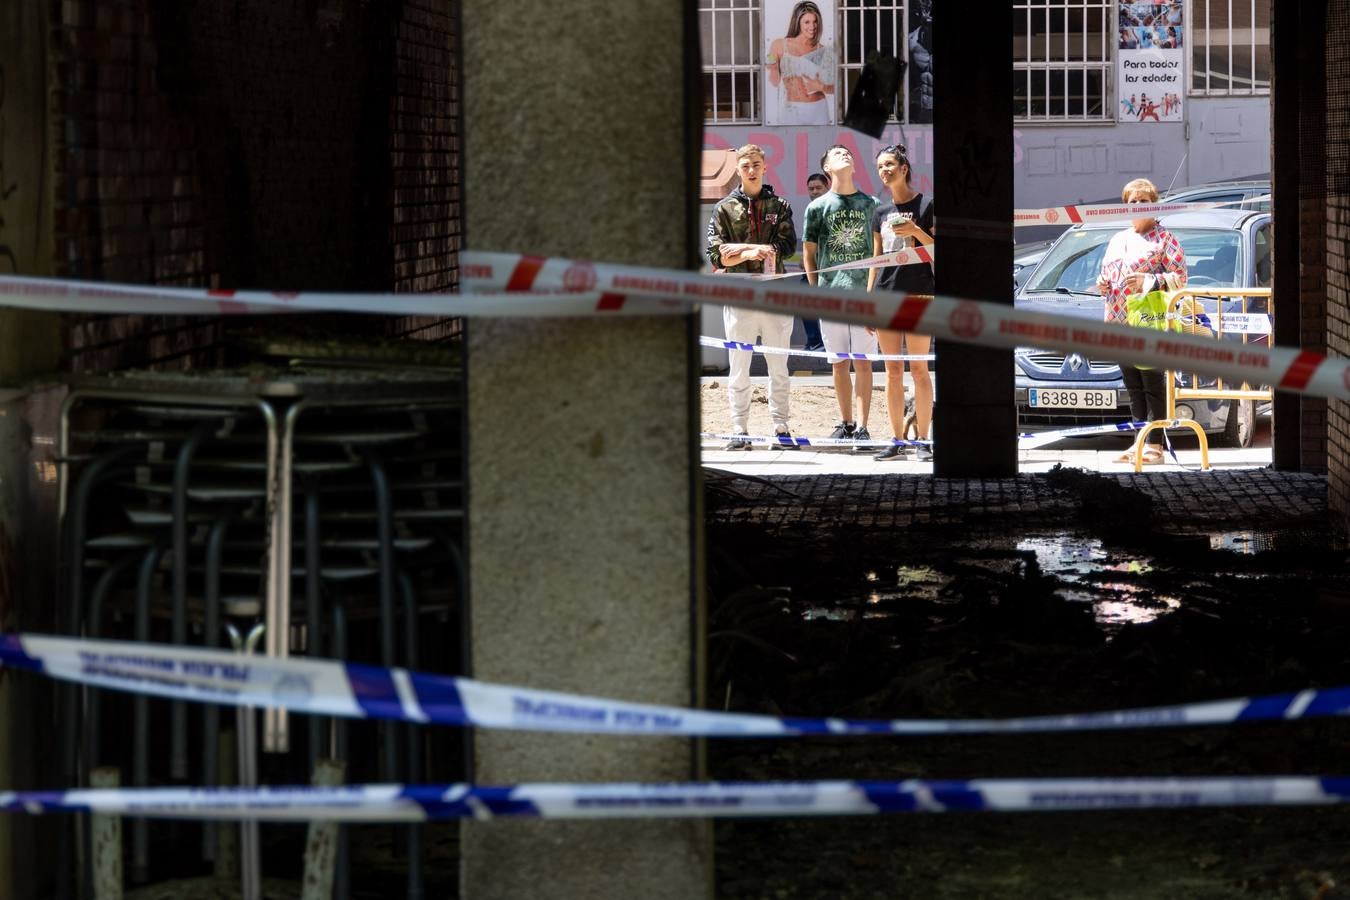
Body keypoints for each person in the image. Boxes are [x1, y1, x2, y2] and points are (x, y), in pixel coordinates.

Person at [706, 144, 799, 451]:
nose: (751, 170)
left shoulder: (780, 205)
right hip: (739, 298)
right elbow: (716, 256)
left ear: (764, 167)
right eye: (745, 165)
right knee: (739, 365)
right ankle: (739, 428)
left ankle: (781, 426)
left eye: (756, 164)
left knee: (778, 366)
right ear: (738, 169)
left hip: (775, 297)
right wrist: (750, 250)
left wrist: (739, 251)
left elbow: (786, 246)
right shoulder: (723, 209)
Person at [1095, 177, 1188, 465]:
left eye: (1143, 201)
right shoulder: (1118, 239)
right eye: (1132, 202)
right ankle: (1138, 441)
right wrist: (1102, 284)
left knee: (1152, 383)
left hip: (1150, 323)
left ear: (1154, 205)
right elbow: (1108, 276)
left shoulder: (1165, 239)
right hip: (1120, 323)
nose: (1137, 206)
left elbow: (1181, 279)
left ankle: (1155, 446)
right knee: (1132, 385)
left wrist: (1149, 280)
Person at [803, 144, 879, 444]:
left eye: (848, 153)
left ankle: (863, 425)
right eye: (837, 154)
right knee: (838, 362)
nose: (845, 155)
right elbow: (808, 253)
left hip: (863, 295)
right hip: (831, 294)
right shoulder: (818, 207)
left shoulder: (871, 204)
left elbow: (878, 252)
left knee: (863, 362)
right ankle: (845, 422)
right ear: (827, 168)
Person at [867, 145, 935, 462]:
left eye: (890, 164)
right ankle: (896, 440)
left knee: (919, 369)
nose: (884, 171)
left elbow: (937, 249)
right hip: (885, 296)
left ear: (904, 168)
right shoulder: (879, 212)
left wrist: (916, 231)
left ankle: (923, 439)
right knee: (892, 372)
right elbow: (875, 259)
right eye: (880, 166)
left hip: (919, 293)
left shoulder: (926, 204)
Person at [766, 1, 836, 125]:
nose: (812, 27)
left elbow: (835, 88)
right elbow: (774, 82)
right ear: (798, 23)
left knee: (822, 144)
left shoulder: (824, 51)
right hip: (792, 109)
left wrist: (821, 87)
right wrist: (773, 68)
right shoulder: (779, 45)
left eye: (815, 22)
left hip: (819, 109)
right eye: (807, 22)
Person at [799, 172, 831, 351]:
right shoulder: (810, 210)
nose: (815, 192)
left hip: (832, 268)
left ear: (828, 187)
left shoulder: (834, 207)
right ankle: (815, 341)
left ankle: (833, 343)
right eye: (811, 189)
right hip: (812, 268)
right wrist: (807, 259)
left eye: (819, 188)